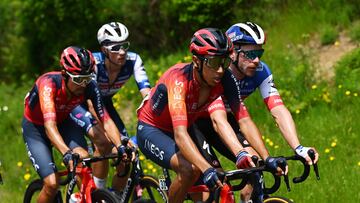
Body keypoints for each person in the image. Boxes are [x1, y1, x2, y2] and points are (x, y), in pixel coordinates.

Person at [136, 28, 285, 203]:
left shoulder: (225, 78)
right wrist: (207, 170)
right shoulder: (179, 81)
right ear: (196, 61)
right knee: (189, 169)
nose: (221, 70)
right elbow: (180, 134)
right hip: (154, 130)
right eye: (214, 62)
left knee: (216, 189)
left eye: (225, 61)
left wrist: (267, 158)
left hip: (186, 126)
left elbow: (243, 120)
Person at [192, 22, 319, 202]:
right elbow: (218, 121)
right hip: (199, 124)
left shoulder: (261, 71)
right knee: (217, 185)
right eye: (251, 54)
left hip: (227, 120)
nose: (257, 60)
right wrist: (239, 153)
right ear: (233, 52)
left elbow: (278, 109)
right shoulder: (218, 73)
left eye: (259, 53)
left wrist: (298, 147)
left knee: (255, 163)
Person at [22, 46, 126, 203]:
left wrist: (120, 147)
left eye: (87, 78)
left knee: (83, 160)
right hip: (37, 128)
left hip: (64, 123)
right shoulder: (48, 84)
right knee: (51, 184)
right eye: (78, 80)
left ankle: (83, 198)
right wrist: (66, 152)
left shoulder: (89, 86)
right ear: (65, 74)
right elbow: (49, 126)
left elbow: (106, 119)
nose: (83, 84)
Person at [70, 22, 151, 191]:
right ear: (104, 49)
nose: (122, 52)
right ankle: (96, 192)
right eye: (115, 48)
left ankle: (113, 195)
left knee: (126, 153)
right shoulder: (94, 64)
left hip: (105, 104)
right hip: (83, 106)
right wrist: (108, 136)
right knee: (104, 145)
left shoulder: (134, 60)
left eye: (124, 46)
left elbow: (147, 95)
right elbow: (92, 104)